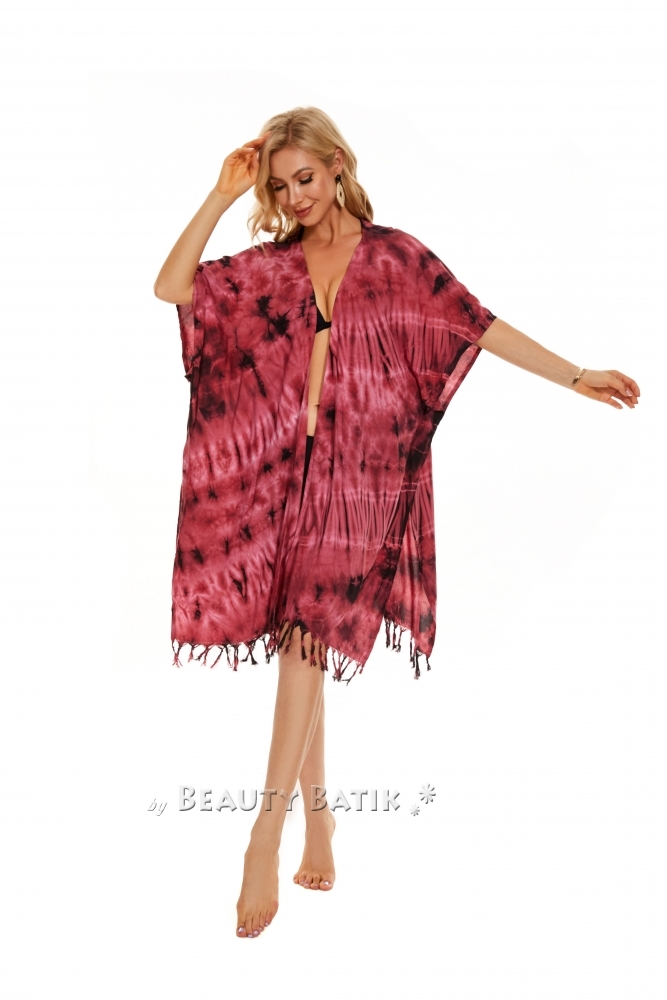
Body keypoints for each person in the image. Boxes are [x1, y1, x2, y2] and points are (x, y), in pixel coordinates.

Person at [154, 107, 640, 940]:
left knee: (305, 643)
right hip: (279, 480)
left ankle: (263, 836)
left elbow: (476, 322)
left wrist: (576, 375)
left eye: (306, 178)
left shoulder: (394, 257)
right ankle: (320, 819)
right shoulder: (270, 266)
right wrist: (221, 191)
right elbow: (173, 288)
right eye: (280, 185)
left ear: (338, 166)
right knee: (301, 643)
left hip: (360, 483)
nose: (295, 197)